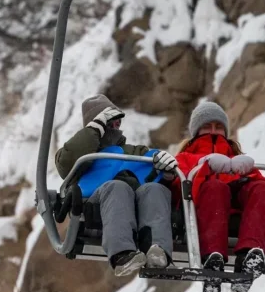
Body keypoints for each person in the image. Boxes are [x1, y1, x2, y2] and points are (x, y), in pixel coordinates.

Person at [173, 101, 265, 292]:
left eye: (218, 126)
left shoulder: (235, 157)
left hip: (236, 205)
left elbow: (264, 193)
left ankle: (249, 256)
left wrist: (248, 174)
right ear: (196, 131)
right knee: (216, 188)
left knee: (263, 188)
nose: (214, 130)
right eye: (207, 126)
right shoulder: (185, 158)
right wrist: (204, 167)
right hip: (207, 207)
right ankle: (213, 257)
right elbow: (179, 188)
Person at [55, 94, 179, 276]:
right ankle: (122, 254)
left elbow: (156, 174)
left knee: (154, 189)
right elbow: (66, 164)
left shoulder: (134, 152)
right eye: (109, 123)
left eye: (117, 123)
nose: (115, 127)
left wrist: (167, 171)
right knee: (117, 187)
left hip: (135, 203)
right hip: (96, 203)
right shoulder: (81, 155)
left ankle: (157, 249)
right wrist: (92, 133)